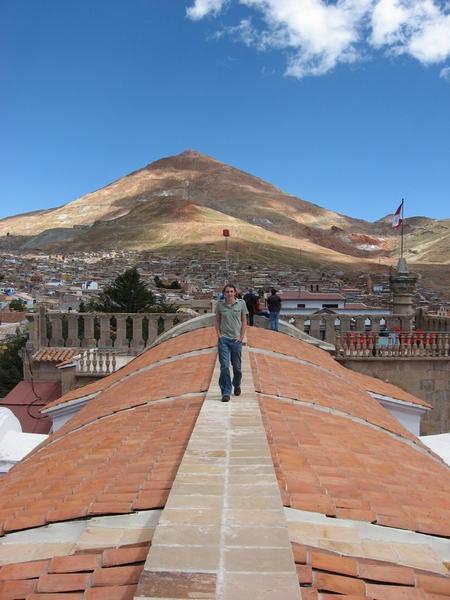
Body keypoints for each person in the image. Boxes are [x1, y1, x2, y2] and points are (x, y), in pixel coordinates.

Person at [215, 283, 248, 402]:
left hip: (236, 340)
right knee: (224, 366)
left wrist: (241, 337)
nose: (229, 294)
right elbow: (217, 320)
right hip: (224, 339)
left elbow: (244, 320)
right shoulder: (220, 305)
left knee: (237, 368)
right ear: (224, 294)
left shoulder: (241, 304)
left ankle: (237, 384)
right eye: (227, 292)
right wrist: (219, 335)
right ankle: (226, 392)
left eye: (231, 291)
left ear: (235, 293)